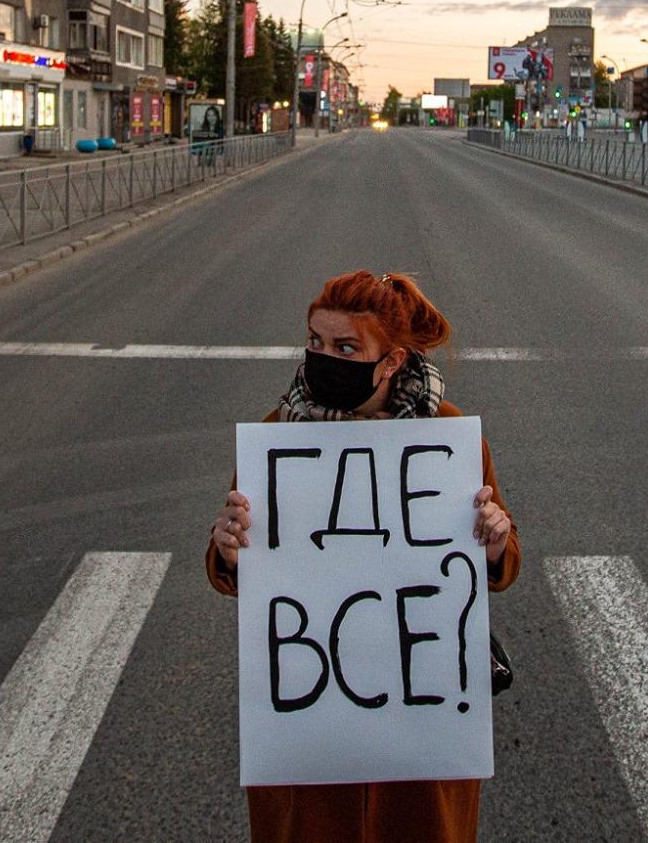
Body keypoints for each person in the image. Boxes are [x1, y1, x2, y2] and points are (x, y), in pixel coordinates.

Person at [207, 271, 520, 843]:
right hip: (313, 733)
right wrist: (228, 547)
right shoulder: (277, 434)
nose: (323, 358)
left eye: (346, 347)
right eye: (315, 342)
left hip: (417, 735)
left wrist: (495, 539)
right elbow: (237, 566)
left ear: (392, 361)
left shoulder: (449, 437)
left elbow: (498, 563)